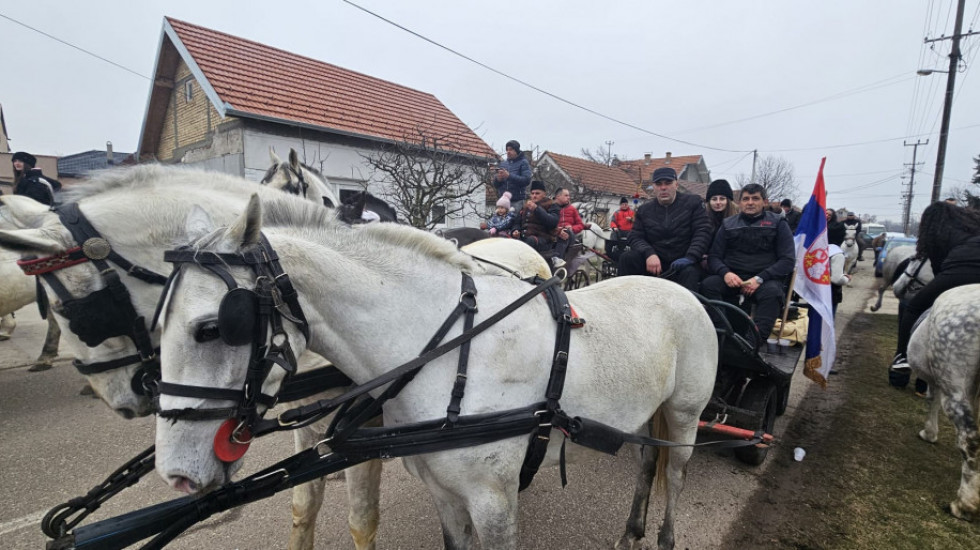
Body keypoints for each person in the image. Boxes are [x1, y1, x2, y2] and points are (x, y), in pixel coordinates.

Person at [888, 202, 980, 388]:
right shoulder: (972, 227)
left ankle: (902, 357)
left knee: (914, 306)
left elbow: (938, 264)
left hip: (962, 269)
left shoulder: (941, 232)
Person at [700, 184, 796, 342]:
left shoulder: (778, 224)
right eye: (746, 199)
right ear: (739, 203)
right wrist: (725, 273)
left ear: (764, 201)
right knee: (708, 285)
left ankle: (753, 344)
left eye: (755, 198)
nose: (750, 203)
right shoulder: (728, 225)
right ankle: (722, 333)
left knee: (773, 294)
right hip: (733, 278)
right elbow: (714, 257)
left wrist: (759, 279)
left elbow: (787, 260)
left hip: (765, 279)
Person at [618, 167, 713, 292]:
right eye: (659, 184)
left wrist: (690, 257)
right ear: (654, 187)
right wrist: (649, 254)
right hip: (655, 262)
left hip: (684, 261)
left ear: (676, 184)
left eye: (668, 183)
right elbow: (635, 236)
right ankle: (624, 302)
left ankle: (686, 310)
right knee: (627, 258)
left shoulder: (693, 203)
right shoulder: (644, 210)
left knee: (690, 273)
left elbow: (702, 231)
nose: (663, 188)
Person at [511, 180, 560, 259]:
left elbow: (552, 222)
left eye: (537, 193)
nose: (534, 196)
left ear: (544, 194)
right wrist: (515, 231)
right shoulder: (525, 206)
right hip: (524, 237)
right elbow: (517, 222)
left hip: (543, 239)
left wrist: (537, 209)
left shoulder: (552, 205)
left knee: (530, 241)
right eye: (532, 193)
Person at [491, 140, 532, 212]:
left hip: (517, 201)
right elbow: (496, 185)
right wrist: (498, 179)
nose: (508, 152)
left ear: (516, 151)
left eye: (511, 149)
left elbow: (526, 180)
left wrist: (509, 176)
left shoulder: (523, 163)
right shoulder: (503, 164)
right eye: (507, 150)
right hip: (503, 202)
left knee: (514, 221)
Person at [552, 188, 584, 261]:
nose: (568, 197)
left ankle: (558, 258)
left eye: (568, 195)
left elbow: (580, 225)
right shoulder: (552, 207)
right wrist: (558, 229)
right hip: (555, 233)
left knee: (566, 232)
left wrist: (572, 228)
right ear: (558, 196)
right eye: (566, 195)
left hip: (569, 235)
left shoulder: (572, 209)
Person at [606, 196, 635, 260]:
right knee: (613, 233)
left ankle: (633, 250)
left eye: (626, 204)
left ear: (627, 204)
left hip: (629, 231)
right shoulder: (617, 212)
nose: (624, 205)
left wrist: (631, 219)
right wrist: (614, 227)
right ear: (620, 205)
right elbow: (613, 221)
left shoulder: (632, 212)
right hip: (620, 230)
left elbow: (637, 221)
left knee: (633, 235)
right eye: (623, 204)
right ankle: (613, 248)